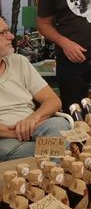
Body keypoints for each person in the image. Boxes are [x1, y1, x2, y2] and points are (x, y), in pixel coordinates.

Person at [0, 16, 70, 161]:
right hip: (5, 139)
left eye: (9, 31)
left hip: (34, 128)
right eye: (3, 33)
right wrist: (15, 133)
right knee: (5, 149)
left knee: (59, 124)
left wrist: (33, 118)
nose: (11, 36)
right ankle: (56, 161)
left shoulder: (19, 62)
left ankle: (51, 166)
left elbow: (53, 100)